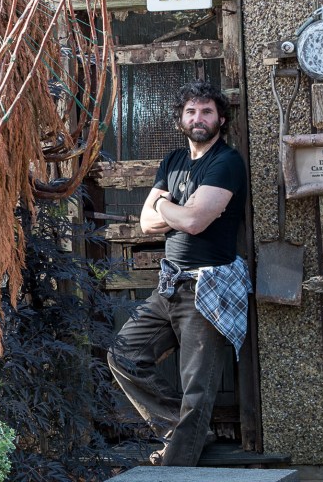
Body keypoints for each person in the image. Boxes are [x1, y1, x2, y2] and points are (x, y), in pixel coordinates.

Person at [107, 79, 251, 467]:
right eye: (191, 111)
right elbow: (144, 223)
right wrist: (175, 215)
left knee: (197, 388)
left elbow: (192, 221)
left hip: (208, 288)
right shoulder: (173, 161)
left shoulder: (227, 162)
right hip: (170, 285)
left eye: (206, 111)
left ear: (220, 117)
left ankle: (177, 467)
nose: (198, 118)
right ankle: (182, 429)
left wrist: (168, 209)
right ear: (180, 119)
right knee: (123, 354)